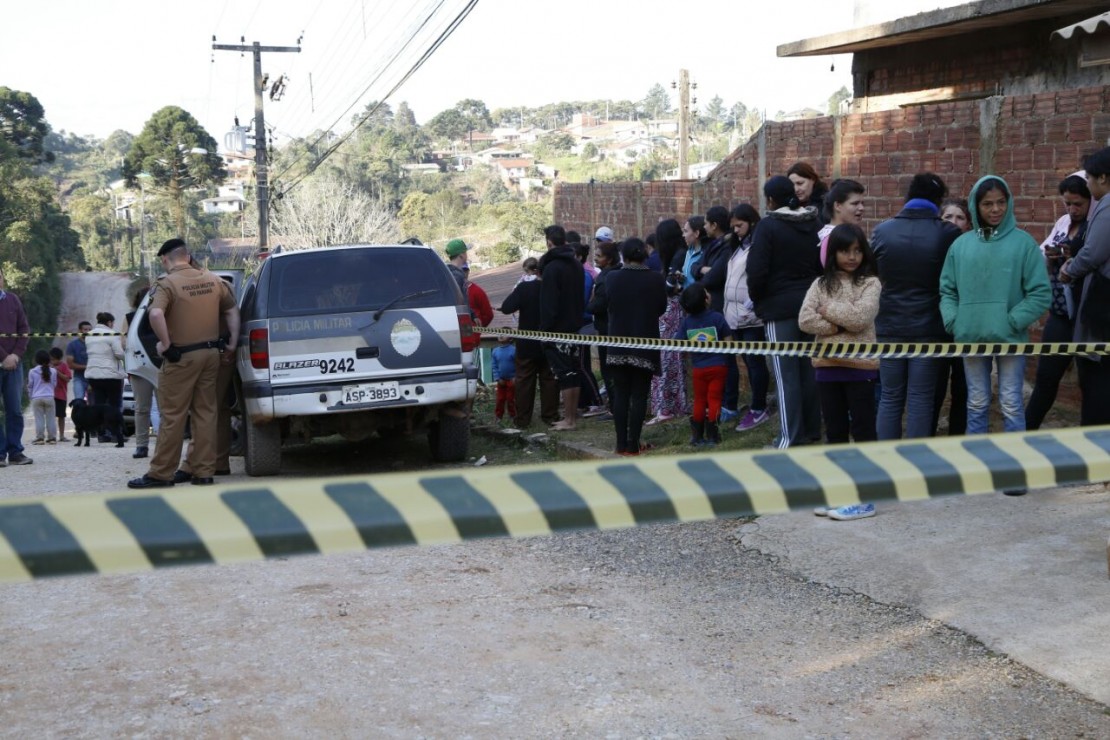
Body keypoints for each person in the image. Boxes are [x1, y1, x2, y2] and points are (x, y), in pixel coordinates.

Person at [939, 176, 1051, 442]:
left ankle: (1014, 467)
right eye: (987, 203)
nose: (995, 209)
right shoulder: (960, 246)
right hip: (970, 336)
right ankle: (979, 464)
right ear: (976, 208)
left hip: (1011, 337)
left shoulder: (1023, 244)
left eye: (1001, 202)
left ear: (1009, 203)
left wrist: (1012, 320)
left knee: (1011, 402)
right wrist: (955, 321)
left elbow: (1040, 292)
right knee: (976, 401)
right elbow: (947, 290)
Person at [128, 238, 239, 489]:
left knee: (173, 416)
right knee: (206, 413)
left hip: (181, 358)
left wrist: (165, 343)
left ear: (165, 260)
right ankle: (203, 472)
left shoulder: (166, 284)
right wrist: (231, 344)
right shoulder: (214, 280)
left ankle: (161, 474)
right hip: (211, 356)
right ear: (188, 256)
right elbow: (232, 311)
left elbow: (155, 314)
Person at [799, 224, 882, 521]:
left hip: (860, 367)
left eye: (858, 250)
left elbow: (861, 318)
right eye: (846, 250)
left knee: (862, 430)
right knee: (834, 432)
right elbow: (805, 319)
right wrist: (837, 324)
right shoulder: (821, 283)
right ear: (833, 252)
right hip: (826, 366)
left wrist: (828, 311)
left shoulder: (871, 283)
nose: (852, 256)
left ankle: (865, 497)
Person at [871, 173, 962, 440]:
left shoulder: (882, 231)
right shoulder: (948, 233)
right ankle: (917, 464)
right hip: (930, 328)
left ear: (909, 196)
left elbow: (873, 272)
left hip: (888, 325)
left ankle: (886, 458)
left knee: (890, 397)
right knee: (921, 398)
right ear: (938, 200)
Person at [747, 175, 823, 449]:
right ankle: (811, 431)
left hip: (779, 310)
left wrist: (758, 302)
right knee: (808, 373)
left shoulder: (768, 226)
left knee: (785, 376)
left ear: (770, 200)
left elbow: (756, 271)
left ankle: (789, 439)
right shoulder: (814, 222)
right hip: (811, 305)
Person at [1026, 174, 1094, 429]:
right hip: (1060, 315)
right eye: (1067, 203)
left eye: (1078, 204)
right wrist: (1051, 255)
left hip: (1089, 318)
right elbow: (1040, 253)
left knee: (1090, 386)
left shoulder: (1098, 226)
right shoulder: (1063, 222)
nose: (1072, 210)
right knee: (1045, 379)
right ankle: (1024, 434)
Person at [603, 238, 668, 455]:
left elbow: (606, 304)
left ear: (624, 256)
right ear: (644, 256)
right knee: (639, 395)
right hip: (644, 345)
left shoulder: (612, 278)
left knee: (621, 394)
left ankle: (620, 443)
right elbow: (661, 308)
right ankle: (633, 444)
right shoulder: (656, 280)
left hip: (617, 345)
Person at [1061, 147, 1110, 425]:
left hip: (1103, 304)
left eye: (1090, 178)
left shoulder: (1108, 206)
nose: (1088, 184)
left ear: (1103, 178)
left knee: (1096, 381)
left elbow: (1093, 253)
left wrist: (1070, 269)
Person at [724, 204, 770, 432]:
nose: (736, 231)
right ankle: (755, 404)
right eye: (733, 227)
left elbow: (761, 275)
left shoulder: (758, 246)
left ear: (751, 223)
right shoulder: (738, 247)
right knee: (748, 362)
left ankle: (759, 407)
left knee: (755, 362)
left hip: (751, 315)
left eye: (740, 226)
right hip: (734, 314)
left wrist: (753, 300)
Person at [500, 257, 559, 429]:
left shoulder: (524, 287)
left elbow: (506, 307)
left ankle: (523, 419)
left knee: (525, 381)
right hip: (549, 340)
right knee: (549, 379)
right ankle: (550, 416)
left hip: (527, 342)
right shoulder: (553, 288)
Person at [539, 225, 585, 431]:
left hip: (557, 330)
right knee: (574, 371)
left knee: (565, 374)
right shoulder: (576, 265)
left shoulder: (551, 268)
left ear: (549, 243)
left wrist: (545, 331)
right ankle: (572, 417)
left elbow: (549, 304)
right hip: (576, 327)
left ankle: (569, 420)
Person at [674, 283, 732, 446]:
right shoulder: (717, 318)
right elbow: (729, 341)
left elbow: (678, 344)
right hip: (718, 366)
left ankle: (697, 437)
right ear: (706, 299)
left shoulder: (686, 323)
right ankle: (713, 435)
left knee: (699, 400)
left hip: (698, 368)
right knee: (714, 399)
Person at [935, 198, 972, 435]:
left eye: (960, 217)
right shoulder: (931, 247)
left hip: (966, 326)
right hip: (937, 325)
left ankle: (958, 435)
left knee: (963, 387)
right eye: (948, 216)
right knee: (935, 387)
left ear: (968, 224)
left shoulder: (973, 248)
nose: (953, 222)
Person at [649, 219, 689, 425]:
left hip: (673, 312)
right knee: (667, 358)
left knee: (669, 359)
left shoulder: (679, 256)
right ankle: (668, 405)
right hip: (669, 312)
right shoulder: (675, 256)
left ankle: (669, 406)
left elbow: (670, 285)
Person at [0, 266, 32, 465]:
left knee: (15, 410)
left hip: (14, 364)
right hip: (6, 360)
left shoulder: (13, 299)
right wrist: (4, 357)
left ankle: (15, 451)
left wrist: (16, 355)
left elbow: (24, 328)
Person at [587, 240, 622, 416]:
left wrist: (589, 304)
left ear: (608, 259)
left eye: (599, 256)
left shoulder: (604, 278)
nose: (595, 258)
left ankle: (614, 407)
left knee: (608, 370)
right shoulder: (619, 273)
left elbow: (598, 304)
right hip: (617, 327)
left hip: (606, 328)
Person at [124, 287, 157, 458]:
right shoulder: (164, 315)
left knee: (141, 408)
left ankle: (142, 445)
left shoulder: (131, 318)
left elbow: (124, 342)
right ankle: (162, 444)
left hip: (139, 365)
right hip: (157, 365)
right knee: (165, 408)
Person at [83, 311, 126, 443]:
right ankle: (115, 434)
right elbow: (119, 354)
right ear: (109, 322)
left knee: (99, 405)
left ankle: (101, 434)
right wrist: (126, 352)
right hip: (110, 375)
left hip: (93, 375)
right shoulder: (112, 334)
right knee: (114, 405)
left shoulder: (89, 335)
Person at [818, 179, 866, 267]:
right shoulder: (831, 237)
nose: (861, 208)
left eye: (862, 203)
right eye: (855, 203)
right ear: (838, 206)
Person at [27, 349, 58, 445]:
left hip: (36, 397)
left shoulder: (32, 371)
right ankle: (52, 438)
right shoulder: (53, 371)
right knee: (51, 418)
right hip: (49, 397)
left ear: (36, 360)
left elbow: (30, 385)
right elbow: (54, 384)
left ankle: (40, 438)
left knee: (39, 418)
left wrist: (30, 396)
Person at [491, 336, 517, 425]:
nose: (501, 336)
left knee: (511, 399)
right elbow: (494, 366)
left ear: (510, 338)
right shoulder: (495, 351)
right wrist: (497, 378)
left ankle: (513, 416)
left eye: (504, 334)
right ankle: (498, 416)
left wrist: (516, 377)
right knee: (500, 399)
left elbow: (518, 364)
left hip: (512, 380)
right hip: (501, 380)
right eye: (499, 334)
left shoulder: (514, 350)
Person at [65, 320, 92, 402]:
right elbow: (70, 365)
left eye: (90, 330)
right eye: (85, 329)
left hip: (93, 378)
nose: (88, 332)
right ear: (79, 330)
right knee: (78, 401)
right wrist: (87, 367)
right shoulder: (72, 345)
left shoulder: (95, 344)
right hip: (79, 378)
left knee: (94, 405)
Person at [681, 215, 710, 287]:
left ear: (696, 233)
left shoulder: (706, 253)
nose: (683, 235)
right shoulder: (689, 252)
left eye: (686, 231)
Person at [49, 347, 72, 442]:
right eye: (51, 359)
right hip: (50, 395)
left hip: (61, 395)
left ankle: (62, 435)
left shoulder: (64, 366)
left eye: (54, 359)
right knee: (51, 416)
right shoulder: (48, 367)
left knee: (61, 416)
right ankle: (51, 435)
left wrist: (57, 372)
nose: (52, 361)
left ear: (59, 359)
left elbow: (68, 378)